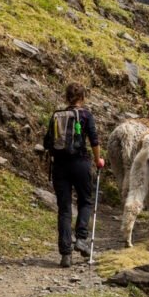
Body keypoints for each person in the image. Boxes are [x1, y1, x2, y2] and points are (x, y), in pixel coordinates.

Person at [43, 83, 105, 268]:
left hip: (59, 167)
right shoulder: (86, 115)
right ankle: (81, 239)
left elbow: (47, 142)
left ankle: (65, 255)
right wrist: (98, 159)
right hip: (80, 164)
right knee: (85, 201)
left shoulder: (56, 116)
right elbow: (94, 140)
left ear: (66, 97)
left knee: (64, 208)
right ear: (83, 98)